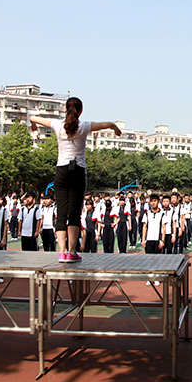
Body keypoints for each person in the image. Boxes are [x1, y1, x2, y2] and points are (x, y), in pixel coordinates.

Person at [30, 97, 121, 262]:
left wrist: (34, 125)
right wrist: (115, 128)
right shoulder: (84, 126)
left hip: (61, 172)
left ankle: (62, 251)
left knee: (62, 213)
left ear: (65, 110)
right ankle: (71, 252)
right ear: (81, 111)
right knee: (74, 214)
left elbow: (33, 117)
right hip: (78, 171)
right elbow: (106, 124)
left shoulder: (57, 125)